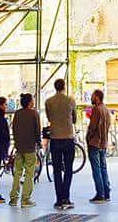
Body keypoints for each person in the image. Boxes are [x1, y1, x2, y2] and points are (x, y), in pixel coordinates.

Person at [45, 78, 77, 210]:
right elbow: (74, 118)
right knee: (68, 169)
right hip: (68, 137)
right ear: (64, 86)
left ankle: (58, 199)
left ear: (54, 87)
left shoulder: (48, 102)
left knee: (57, 170)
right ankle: (66, 197)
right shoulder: (70, 100)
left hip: (55, 137)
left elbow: (49, 118)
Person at [10, 93, 41, 208]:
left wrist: (17, 143)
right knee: (29, 173)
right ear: (29, 102)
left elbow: (14, 129)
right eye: (32, 100)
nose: (33, 102)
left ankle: (13, 198)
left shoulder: (17, 114)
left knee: (17, 173)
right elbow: (37, 131)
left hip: (19, 147)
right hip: (30, 147)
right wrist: (39, 143)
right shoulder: (34, 114)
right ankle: (25, 199)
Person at [87, 88, 112, 203]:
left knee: (96, 168)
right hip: (103, 143)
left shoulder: (96, 109)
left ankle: (100, 193)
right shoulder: (106, 109)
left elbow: (93, 127)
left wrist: (88, 137)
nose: (91, 97)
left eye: (92, 95)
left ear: (97, 97)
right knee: (103, 167)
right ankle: (106, 192)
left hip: (95, 143)